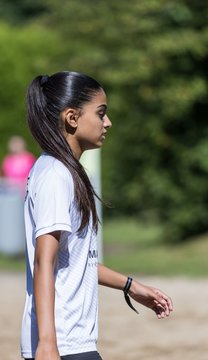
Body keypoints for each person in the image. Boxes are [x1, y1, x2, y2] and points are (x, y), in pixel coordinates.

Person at [21, 71, 173, 360]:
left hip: (72, 343)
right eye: (101, 113)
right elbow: (44, 261)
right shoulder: (55, 175)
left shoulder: (63, 171)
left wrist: (131, 286)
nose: (107, 122)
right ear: (72, 118)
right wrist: (47, 344)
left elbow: (75, 261)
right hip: (62, 346)